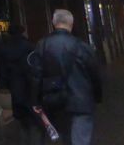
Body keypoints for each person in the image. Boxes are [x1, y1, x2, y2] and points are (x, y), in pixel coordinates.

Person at [29, 9, 102, 145]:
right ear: (71, 24)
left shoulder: (42, 45)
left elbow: (36, 75)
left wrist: (35, 101)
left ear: (53, 23)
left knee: (61, 139)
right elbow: (94, 74)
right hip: (82, 102)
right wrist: (97, 97)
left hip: (54, 102)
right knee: (81, 140)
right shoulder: (83, 46)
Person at [0, 23, 38, 144]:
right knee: (33, 120)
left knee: (21, 119)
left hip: (14, 86)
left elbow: (1, 69)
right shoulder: (29, 47)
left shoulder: (3, 48)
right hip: (29, 86)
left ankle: (24, 140)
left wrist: (3, 85)